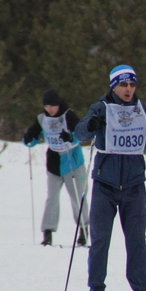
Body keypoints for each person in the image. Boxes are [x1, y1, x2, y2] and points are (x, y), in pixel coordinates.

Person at [73, 64, 146, 291]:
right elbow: (78, 132)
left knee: (136, 240)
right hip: (105, 184)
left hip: (134, 186)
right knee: (101, 240)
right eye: (123, 84)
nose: (128, 89)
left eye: (132, 84)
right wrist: (91, 125)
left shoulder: (145, 110)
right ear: (114, 86)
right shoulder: (101, 108)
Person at [22, 89, 90, 247]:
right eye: (46, 106)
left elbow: (81, 134)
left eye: (52, 106)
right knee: (52, 198)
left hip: (72, 162)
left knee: (77, 197)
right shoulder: (42, 118)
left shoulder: (68, 116)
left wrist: (71, 137)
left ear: (58, 104)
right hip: (54, 163)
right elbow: (33, 134)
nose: (50, 109)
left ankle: (84, 231)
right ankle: (47, 233)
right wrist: (28, 139)